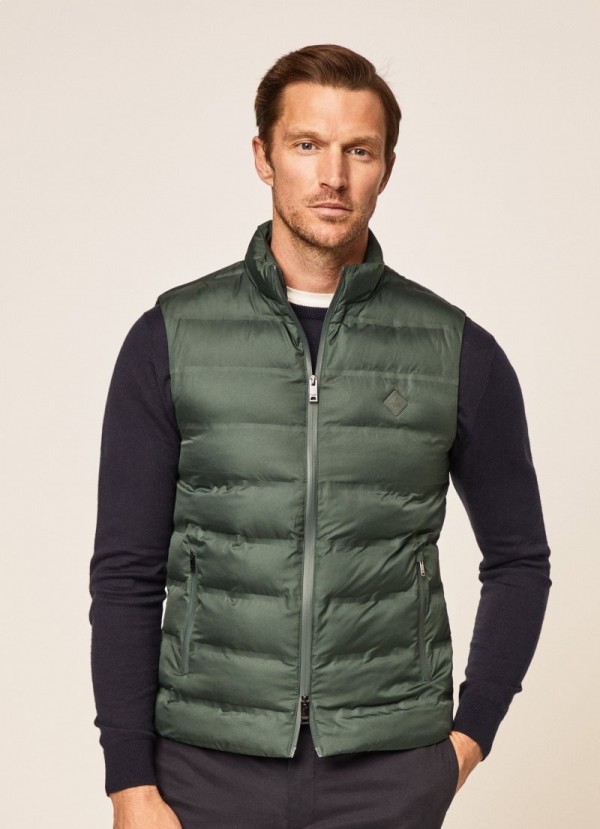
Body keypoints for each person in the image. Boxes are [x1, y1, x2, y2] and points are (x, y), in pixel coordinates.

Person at [89, 44, 551, 829]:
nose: (332, 175)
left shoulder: (456, 352)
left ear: (386, 167)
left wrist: (466, 741)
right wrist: (129, 779)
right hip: (205, 768)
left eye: (358, 150)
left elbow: (519, 559)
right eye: (307, 144)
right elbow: (127, 571)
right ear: (263, 156)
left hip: (389, 772)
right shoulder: (169, 340)